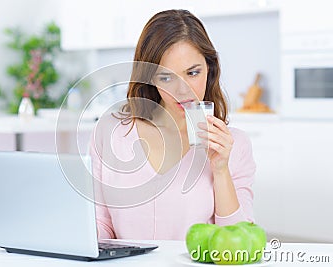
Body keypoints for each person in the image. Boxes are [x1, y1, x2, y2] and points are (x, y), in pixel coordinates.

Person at [89, 9, 256, 240]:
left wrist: (220, 170)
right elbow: (101, 225)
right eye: (166, 77)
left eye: (193, 73)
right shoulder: (111, 132)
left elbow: (238, 242)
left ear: (210, 69)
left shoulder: (233, 144)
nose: (182, 90)